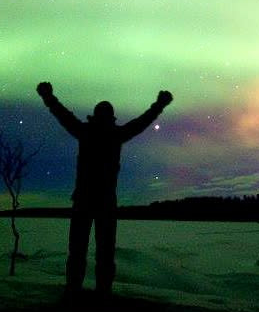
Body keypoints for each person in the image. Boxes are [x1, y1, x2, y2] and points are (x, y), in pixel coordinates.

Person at [36, 81, 173, 300]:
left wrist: (49, 98)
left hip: (93, 200)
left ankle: (83, 290)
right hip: (99, 201)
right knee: (96, 251)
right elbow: (141, 122)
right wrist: (158, 106)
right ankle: (94, 292)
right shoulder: (108, 134)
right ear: (109, 117)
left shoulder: (89, 132)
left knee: (88, 251)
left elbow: (63, 115)